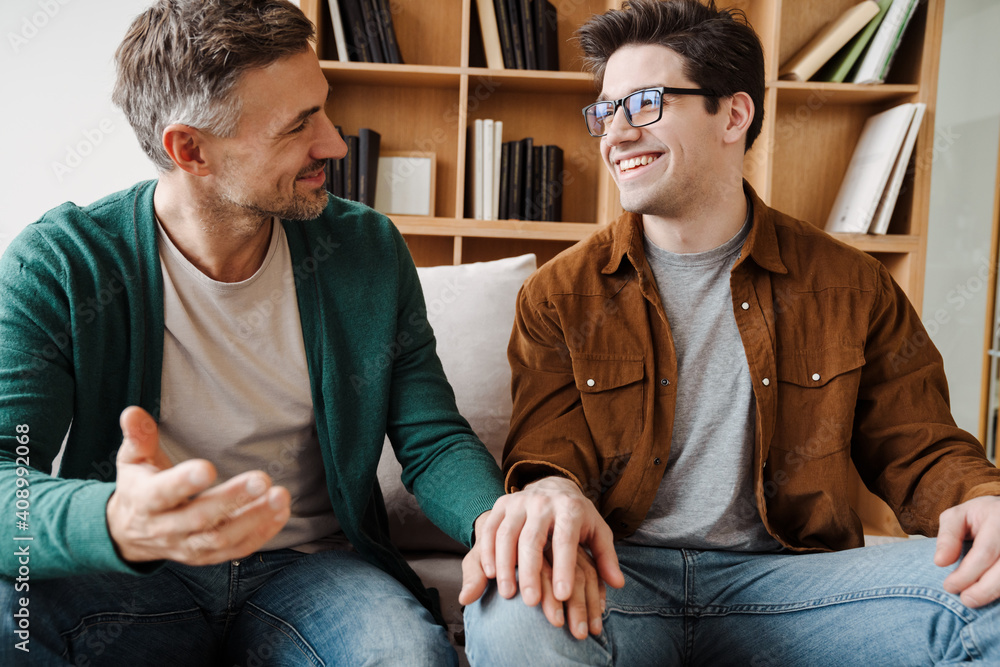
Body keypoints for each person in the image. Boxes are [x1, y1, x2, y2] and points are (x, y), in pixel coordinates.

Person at [0, 0, 613, 663]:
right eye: (298, 127)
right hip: (136, 573)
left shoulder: (365, 248)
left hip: (312, 569)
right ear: (191, 149)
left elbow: (431, 440)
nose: (335, 144)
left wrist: (500, 520)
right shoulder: (62, 262)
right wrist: (117, 521)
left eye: (321, 108)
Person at [463, 1, 1000, 664]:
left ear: (734, 115)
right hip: (622, 580)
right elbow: (549, 457)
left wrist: (985, 498)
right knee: (507, 604)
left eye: (646, 103)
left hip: (792, 586)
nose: (615, 133)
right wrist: (550, 493)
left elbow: (919, 449)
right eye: (606, 109)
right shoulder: (558, 295)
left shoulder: (852, 286)